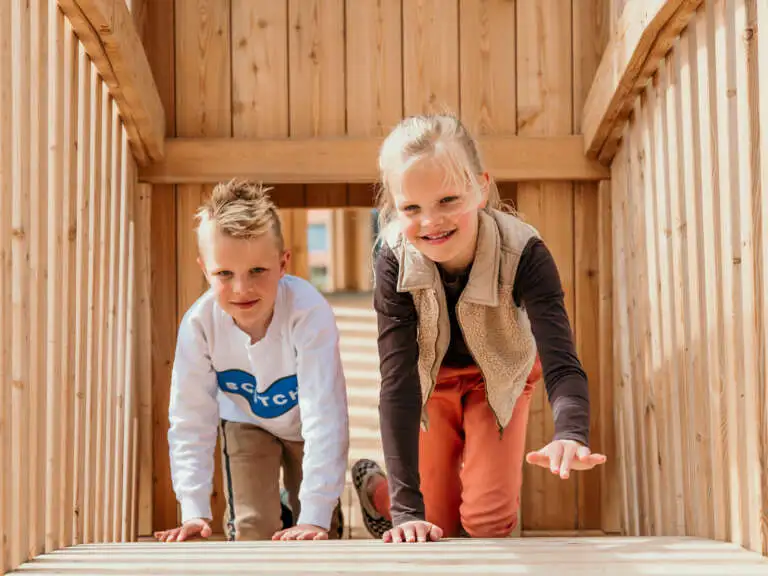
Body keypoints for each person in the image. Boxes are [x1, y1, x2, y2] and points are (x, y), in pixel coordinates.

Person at [351, 114, 606, 544]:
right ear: (394, 208)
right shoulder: (393, 259)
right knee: (434, 523)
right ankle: (378, 491)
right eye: (412, 208)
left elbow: (562, 362)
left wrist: (571, 433)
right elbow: (397, 384)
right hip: (428, 383)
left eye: (448, 199)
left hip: (501, 377)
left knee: (488, 522)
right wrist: (404, 512)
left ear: (480, 186)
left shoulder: (523, 251)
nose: (431, 221)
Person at [155, 179, 349, 542]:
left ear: (283, 263)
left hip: (307, 424)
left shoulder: (308, 313)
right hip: (246, 420)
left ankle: (299, 509)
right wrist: (194, 509)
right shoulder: (199, 324)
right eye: (224, 274)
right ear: (204, 270)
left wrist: (316, 516)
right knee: (252, 526)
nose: (242, 288)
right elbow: (189, 417)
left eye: (257, 271)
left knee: (318, 531)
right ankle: (274, 508)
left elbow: (326, 415)